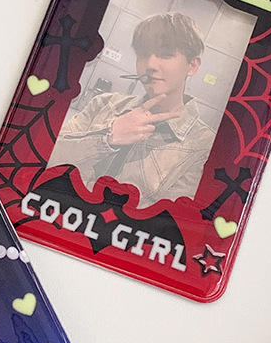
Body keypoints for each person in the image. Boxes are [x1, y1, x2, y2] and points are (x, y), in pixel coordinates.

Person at [50, 11, 216, 206]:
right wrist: (108, 138)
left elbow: (170, 217)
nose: (150, 65)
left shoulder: (205, 146)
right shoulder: (103, 104)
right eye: (143, 54)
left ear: (192, 66)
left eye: (165, 54)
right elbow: (47, 156)